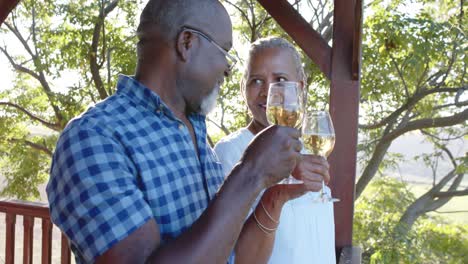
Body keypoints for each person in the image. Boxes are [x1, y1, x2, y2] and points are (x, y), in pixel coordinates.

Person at [46, 1, 330, 263]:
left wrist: (273, 195)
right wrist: (251, 170)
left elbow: (233, 257)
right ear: (187, 43)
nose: (227, 71)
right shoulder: (94, 137)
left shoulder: (193, 134)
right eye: (224, 53)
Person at [214, 37, 336, 263]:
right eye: (256, 81)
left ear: (300, 87)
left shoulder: (311, 147)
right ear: (244, 88)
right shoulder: (230, 153)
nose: (268, 92)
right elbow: (233, 256)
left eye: (280, 79)